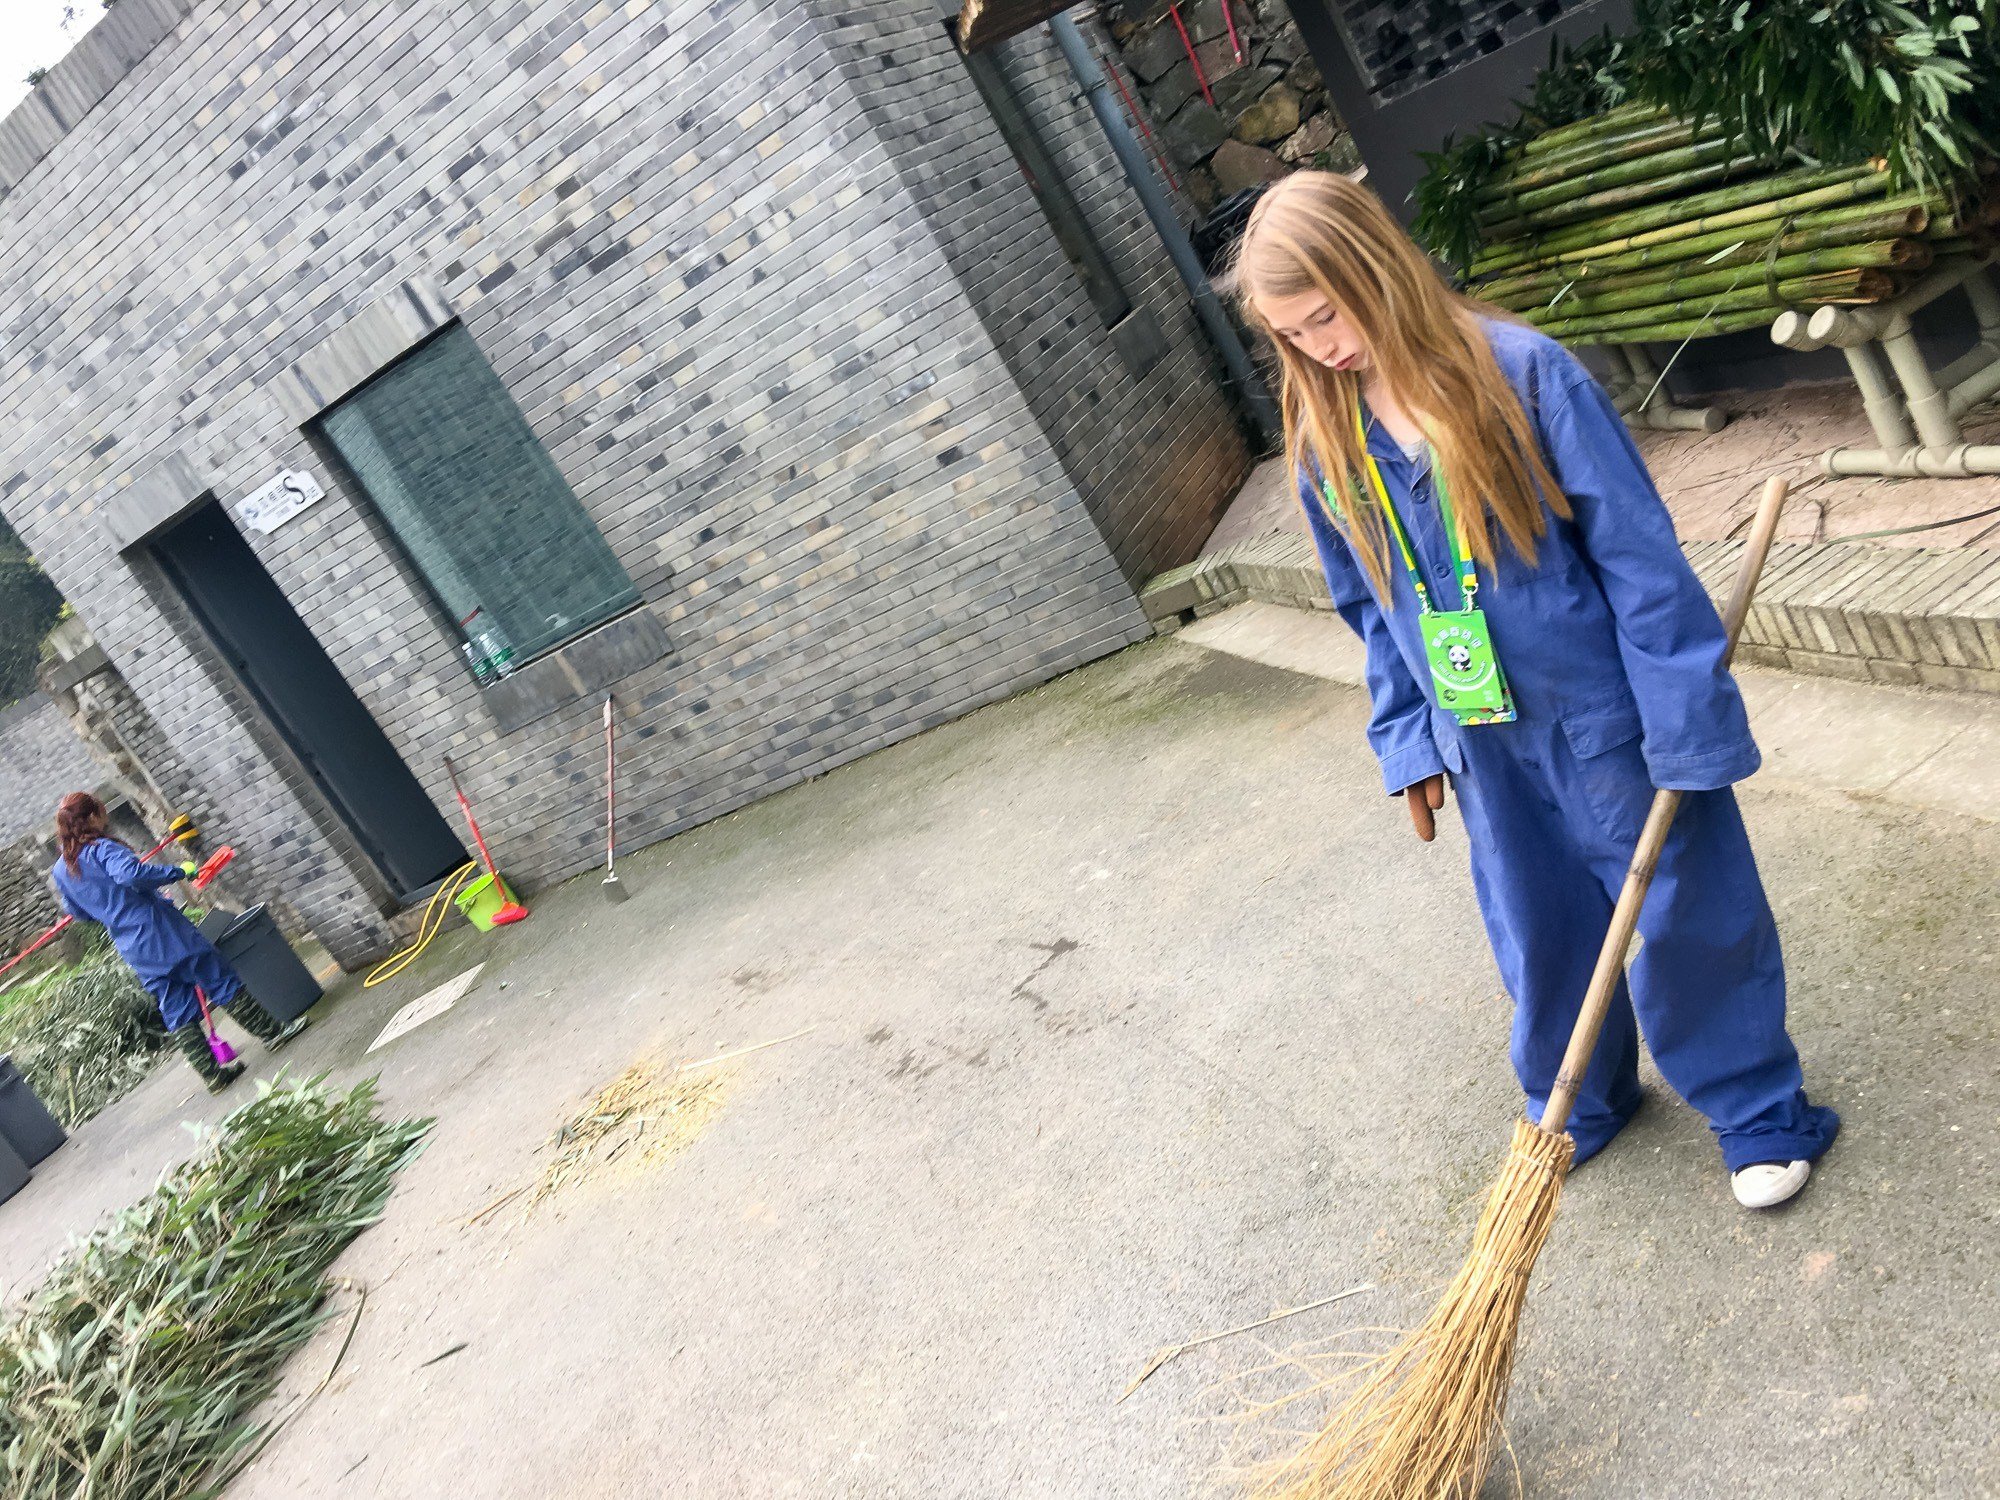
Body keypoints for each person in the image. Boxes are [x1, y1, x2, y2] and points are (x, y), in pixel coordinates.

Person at [1232, 173, 1837, 1209]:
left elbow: (1640, 566)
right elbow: (1372, 611)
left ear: (1374, 266)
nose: (1321, 348)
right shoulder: (1325, 445)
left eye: (1327, 315)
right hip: (1480, 736)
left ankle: (1753, 1108)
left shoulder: (1522, 377)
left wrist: (1684, 723)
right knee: (1536, 922)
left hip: (1605, 718)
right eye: (1293, 336)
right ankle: (1581, 1099)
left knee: (1684, 907)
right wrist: (1407, 738)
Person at [50, 792, 307, 1094]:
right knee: (218, 978)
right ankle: (273, 1033)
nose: (105, 818)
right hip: (161, 931)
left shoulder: (60, 870)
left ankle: (213, 1076)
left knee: (174, 1006)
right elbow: (131, 875)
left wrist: (110, 908)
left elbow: (79, 913)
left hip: (132, 947)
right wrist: (177, 872)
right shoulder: (102, 849)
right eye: (102, 813)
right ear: (91, 817)